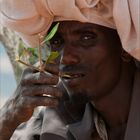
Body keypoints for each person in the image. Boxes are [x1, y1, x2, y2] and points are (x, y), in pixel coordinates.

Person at [0, 1, 140, 140]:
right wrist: (9, 117)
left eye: (86, 38)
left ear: (124, 46)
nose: (65, 58)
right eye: (57, 42)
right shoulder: (57, 116)